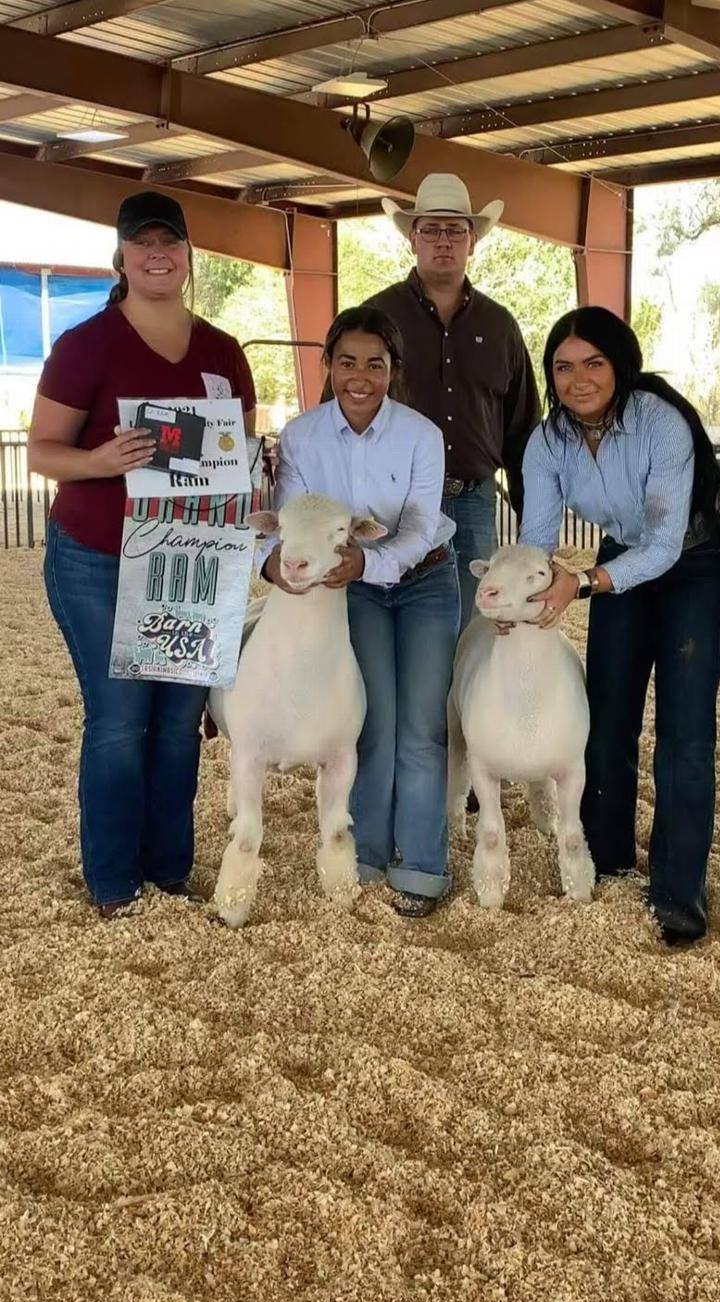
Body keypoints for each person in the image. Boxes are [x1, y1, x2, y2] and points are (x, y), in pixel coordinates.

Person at [27, 190, 257, 919]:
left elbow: (239, 454)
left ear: (190, 255)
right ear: (121, 257)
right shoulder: (85, 345)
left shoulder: (224, 352)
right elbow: (42, 452)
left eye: (171, 242)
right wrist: (100, 461)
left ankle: (169, 870)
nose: (158, 254)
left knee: (179, 723)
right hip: (97, 554)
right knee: (120, 719)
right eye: (143, 242)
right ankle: (114, 881)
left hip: (190, 562)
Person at [517, 306, 720, 946]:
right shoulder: (548, 440)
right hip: (619, 559)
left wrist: (582, 582)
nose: (578, 379)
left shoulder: (659, 423)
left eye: (594, 363)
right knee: (606, 713)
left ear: (620, 365)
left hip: (694, 562)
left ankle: (678, 892)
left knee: (685, 729)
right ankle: (607, 860)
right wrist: (526, 592)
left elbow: (666, 545)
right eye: (562, 367)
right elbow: (536, 537)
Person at [259, 306, 460, 919]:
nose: (361, 376)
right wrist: (279, 562)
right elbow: (292, 521)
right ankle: (366, 853)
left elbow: (423, 524)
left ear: (392, 369)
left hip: (425, 580)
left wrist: (370, 563)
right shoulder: (300, 436)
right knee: (373, 719)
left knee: (423, 727)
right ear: (328, 365)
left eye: (376, 363)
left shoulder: (422, 434)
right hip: (353, 589)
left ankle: (423, 867)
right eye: (347, 361)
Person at [364, 172, 540, 631]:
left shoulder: (501, 326)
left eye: (456, 230)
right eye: (431, 229)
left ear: (473, 242)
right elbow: (341, 412)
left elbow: (523, 431)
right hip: (394, 502)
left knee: (477, 629)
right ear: (412, 240)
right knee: (397, 622)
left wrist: (536, 530)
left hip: (474, 503)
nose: (444, 241)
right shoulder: (377, 317)